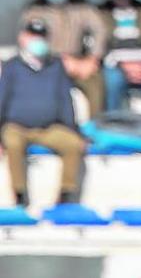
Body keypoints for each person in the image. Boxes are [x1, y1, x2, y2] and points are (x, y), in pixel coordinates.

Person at [0, 19, 88, 207]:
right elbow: (2, 100)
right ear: (22, 38)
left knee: (72, 144)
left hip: (49, 128)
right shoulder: (11, 67)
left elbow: (65, 100)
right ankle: (20, 194)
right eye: (33, 36)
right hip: (17, 126)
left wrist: (75, 131)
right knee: (13, 143)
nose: (37, 41)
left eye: (41, 36)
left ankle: (66, 194)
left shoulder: (56, 66)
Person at [20, 0, 107, 117]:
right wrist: (59, 62)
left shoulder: (80, 5)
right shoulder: (34, 8)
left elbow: (100, 28)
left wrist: (92, 58)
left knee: (96, 82)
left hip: (78, 63)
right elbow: (28, 41)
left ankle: (95, 131)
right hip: (46, 63)